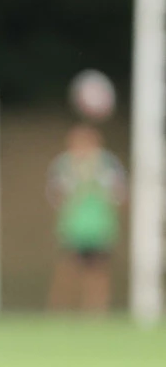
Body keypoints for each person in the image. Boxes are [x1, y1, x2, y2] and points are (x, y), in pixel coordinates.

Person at [45, 123, 127, 313]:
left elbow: (120, 194)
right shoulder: (63, 165)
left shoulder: (107, 164)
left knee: (98, 272)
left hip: (99, 227)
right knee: (67, 270)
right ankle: (59, 312)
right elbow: (54, 195)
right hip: (73, 228)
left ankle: (95, 313)